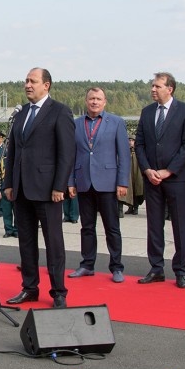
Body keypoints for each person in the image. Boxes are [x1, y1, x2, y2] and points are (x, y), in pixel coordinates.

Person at [3, 67, 76, 309]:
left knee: (53, 242)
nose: (27, 85)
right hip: (22, 190)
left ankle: (58, 291)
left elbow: (67, 153)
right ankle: (30, 287)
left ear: (46, 85)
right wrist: (9, 183)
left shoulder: (60, 111)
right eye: (26, 81)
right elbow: (12, 151)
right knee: (26, 241)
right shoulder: (21, 113)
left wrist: (59, 186)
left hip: (48, 191)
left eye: (33, 81)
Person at [134, 72, 185, 288]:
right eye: (152, 86)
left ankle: (180, 271)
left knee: (180, 226)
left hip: (176, 179)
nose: (153, 89)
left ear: (169, 89)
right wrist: (148, 170)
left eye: (157, 86)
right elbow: (140, 144)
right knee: (154, 225)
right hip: (152, 179)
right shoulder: (147, 112)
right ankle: (156, 268)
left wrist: (168, 171)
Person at [67, 87, 130, 283]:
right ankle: (87, 264)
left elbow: (124, 155)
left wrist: (122, 181)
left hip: (108, 183)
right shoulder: (76, 124)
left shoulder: (116, 122)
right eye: (91, 98)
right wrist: (70, 181)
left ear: (105, 102)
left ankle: (117, 267)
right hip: (84, 182)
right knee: (87, 227)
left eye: (98, 99)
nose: (95, 102)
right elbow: (70, 155)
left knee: (112, 227)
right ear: (86, 101)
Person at [0, 130, 17, 238]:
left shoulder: (17, 154)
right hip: (4, 184)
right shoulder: (2, 154)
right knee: (6, 210)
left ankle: (16, 230)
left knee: (16, 210)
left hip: (15, 185)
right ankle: (8, 230)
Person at [122, 135, 143, 216]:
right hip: (129, 174)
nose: (130, 142)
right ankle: (130, 207)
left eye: (132, 140)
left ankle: (136, 207)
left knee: (137, 189)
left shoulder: (138, 151)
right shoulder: (126, 151)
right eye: (129, 140)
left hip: (138, 174)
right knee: (130, 190)